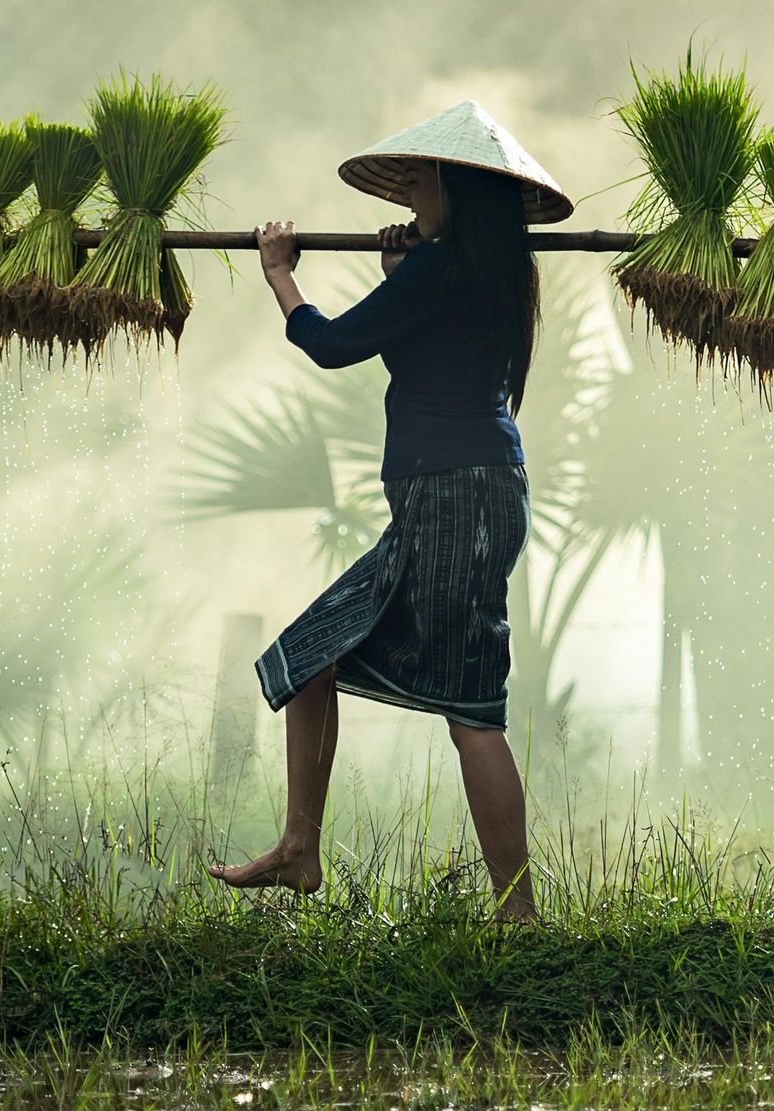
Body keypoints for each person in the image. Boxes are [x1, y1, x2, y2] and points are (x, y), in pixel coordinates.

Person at [212, 103, 574, 927]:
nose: (408, 190)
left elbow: (334, 345)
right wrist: (398, 275)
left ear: (458, 186)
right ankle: (302, 850)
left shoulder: (441, 269)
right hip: (469, 493)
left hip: (451, 498)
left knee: (470, 712)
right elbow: (425, 351)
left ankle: (517, 918)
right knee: (320, 663)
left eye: (420, 177)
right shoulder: (486, 272)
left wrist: (280, 273)